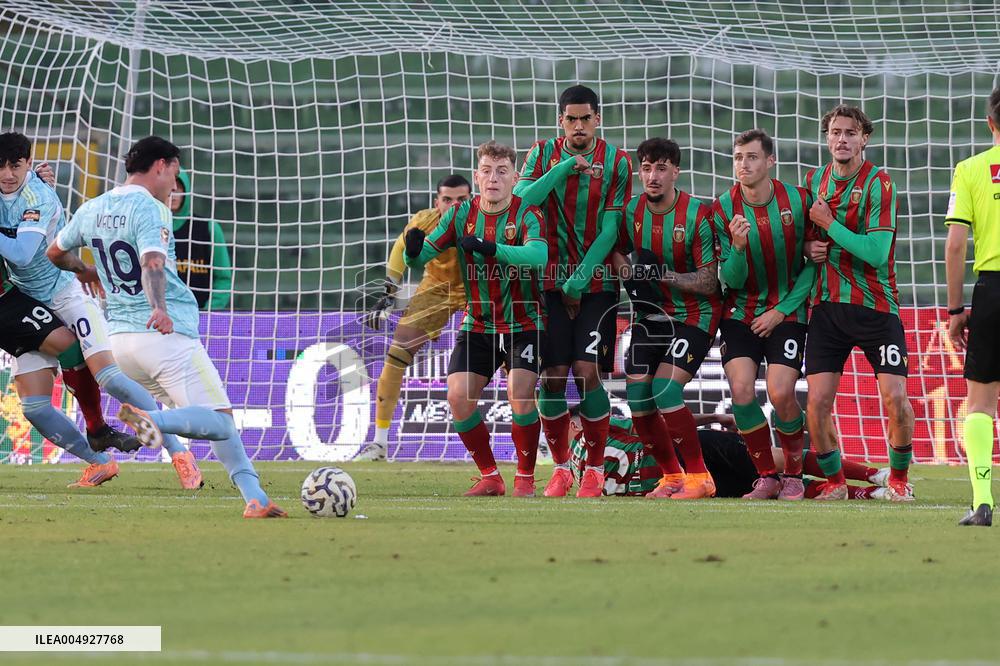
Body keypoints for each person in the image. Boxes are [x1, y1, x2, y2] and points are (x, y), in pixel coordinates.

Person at [48, 135, 287, 518]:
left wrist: (88, 271)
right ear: (161, 166)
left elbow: (56, 252)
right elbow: (153, 263)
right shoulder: (153, 208)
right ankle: (151, 420)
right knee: (220, 418)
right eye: (174, 174)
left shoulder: (93, 206)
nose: (175, 186)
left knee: (214, 419)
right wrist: (159, 307)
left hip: (121, 343)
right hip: (163, 336)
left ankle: (254, 496)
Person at [404, 140, 592, 496]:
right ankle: (491, 476)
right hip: (478, 323)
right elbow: (425, 254)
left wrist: (492, 249)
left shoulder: (527, 213)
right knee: (459, 397)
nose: (493, 178)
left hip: (525, 322)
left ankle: (524, 479)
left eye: (502, 171)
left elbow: (538, 256)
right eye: (487, 171)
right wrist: (414, 252)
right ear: (477, 177)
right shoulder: (461, 214)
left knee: (520, 392)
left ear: (514, 177)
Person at [516, 84, 632, 498]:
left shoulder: (618, 162)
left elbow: (610, 230)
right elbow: (522, 197)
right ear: (559, 121)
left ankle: (595, 470)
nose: (579, 126)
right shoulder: (541, 153)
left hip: (595, 284)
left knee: (586, 374)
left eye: (586, 118)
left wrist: (579, 280)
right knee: (551, 377)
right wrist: (567, 167)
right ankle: (562, 467)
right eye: (571, 119)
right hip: (545, 284)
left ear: (597, 119)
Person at [0, 133, 139, 456]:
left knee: (108, 375)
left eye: (15, 166)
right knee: (34, 407)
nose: (7, 174)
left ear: (29, 164)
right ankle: (97, 456)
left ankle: (174, 450)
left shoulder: (38, 196)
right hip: (23, 299)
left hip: (63, 293)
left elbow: (21, 254)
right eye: (1, 167)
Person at [802, 105, 914, 502]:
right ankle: (835, 483)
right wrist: (809, 247)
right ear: (827, 137)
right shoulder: (814, 180)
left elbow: (877, 252)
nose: (842, 139)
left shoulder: (880, 184)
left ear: (864, 138)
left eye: (851, 132)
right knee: (816, 404)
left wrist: (829, 226)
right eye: (835, 132)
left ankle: (899, 482)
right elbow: (806, 240)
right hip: (827, 309)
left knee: (896, 400)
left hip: (876, 308)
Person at [610, 138, 722, 500]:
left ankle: (700, 477)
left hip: (695, 315)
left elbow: (709, 281)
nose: (653, 176)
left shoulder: (697, 214)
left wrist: (660, 276)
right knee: (638, 398)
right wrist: (629, 274)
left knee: (665, 389)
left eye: (661, 168)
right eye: (646, 168)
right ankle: (671, 476)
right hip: (650, 317)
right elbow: (615, 251)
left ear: (676, 171)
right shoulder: (630, 211)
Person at [713, 129, 815, 500]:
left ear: (770, 161)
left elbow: (814, 263)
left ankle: (794, 474)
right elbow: (730, 278)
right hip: (741, 312)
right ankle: (767, 476)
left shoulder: (800, 201)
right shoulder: (723, 208)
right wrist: (738, 247)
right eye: (738, 157)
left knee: (781, 392)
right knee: (741, 389)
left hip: (787, 312)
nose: (744, 164)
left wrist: (781, 311)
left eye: (752, 157)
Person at [357, 174, 472, 460]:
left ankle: (542, 441)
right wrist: (388, 292)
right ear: (437, 202)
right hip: (437, 288)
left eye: (461, 200)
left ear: (472, 199)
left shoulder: (486, 216)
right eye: (448, 200)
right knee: (397, 354)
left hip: (480, 287)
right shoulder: (424, 220)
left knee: (515, 361)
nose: (454, 205)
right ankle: (380, 443)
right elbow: (401, 247)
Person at [566, 406, 895, 499]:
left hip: (685, 484)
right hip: (692, 456)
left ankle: (873, 488)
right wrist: (714, 418)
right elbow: (657, 425)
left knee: (775, 482)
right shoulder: (602, 428)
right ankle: (875, 482)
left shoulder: (582, 475)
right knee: (777, 467)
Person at [944, 86, 1000, 527]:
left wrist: (955, 309)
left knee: (981, 403)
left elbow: (956, 244)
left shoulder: (971, 169)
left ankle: (983, 501)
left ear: (990, 123)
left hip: (993, 291)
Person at [168, 168, 233, 310]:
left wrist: (209, 311)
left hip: (201, 318)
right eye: (169, 187)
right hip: (160, 319)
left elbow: (223, 278)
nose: (173, 194)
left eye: (178, 188)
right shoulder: (150, 226)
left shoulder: (208, 227)